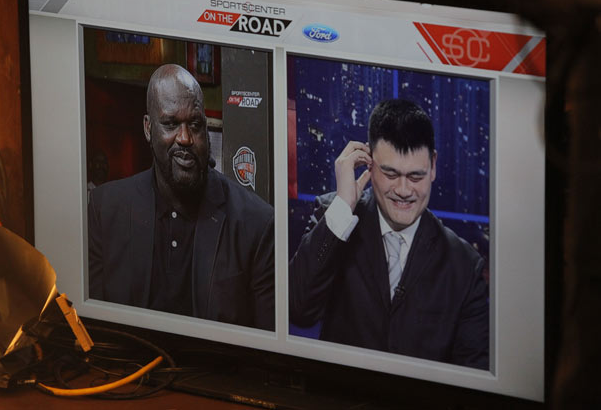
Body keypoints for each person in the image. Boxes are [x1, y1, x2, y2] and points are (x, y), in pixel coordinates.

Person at [289, 99, 489, 369]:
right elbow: (298, 310)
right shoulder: (333, 217)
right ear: (368, 163)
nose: (404, 190)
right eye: (391, 174)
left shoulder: (464, 265)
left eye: (415, 176)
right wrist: (343, 206)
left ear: (433, 166)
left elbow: (472, 374)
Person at [88, 64, 274, 331]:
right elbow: (94, 330)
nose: (185, 138)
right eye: (171, 124)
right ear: (148, 128)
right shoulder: (105, 209)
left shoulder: (256, 222)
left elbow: (264, 345)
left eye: (195, 125)